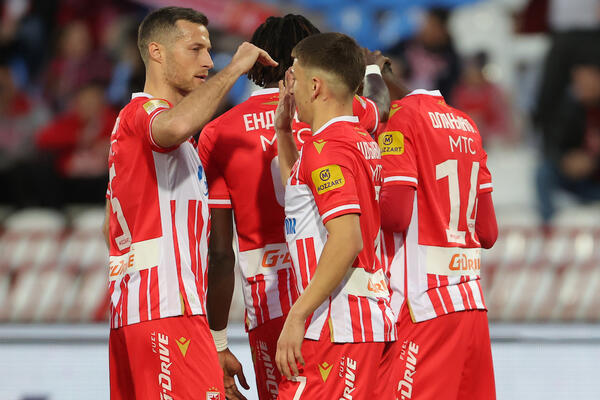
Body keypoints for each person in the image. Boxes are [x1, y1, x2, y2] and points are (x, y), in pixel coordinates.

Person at [197, 14, 390, 400]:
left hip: (283, 298)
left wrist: (218, 341)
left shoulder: (219, 132)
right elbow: (381, 107)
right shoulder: (345, 114)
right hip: (335, 295)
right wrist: (372, 69)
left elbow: (219, 253)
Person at [101, 6, 276, 399]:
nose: (209, 62)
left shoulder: (153, 138)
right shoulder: (144, 113)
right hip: (165, 308)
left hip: (145, 309)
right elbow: (175, 125)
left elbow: (108, 222)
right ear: (157, 52)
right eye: (195, 49)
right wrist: (235, 69)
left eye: (210, 51)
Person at [273, 32, 396, 399]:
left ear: (315, 86)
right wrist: (283, 131)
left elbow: (346, 239)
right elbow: (301, 195)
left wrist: (297, 315)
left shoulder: (325, 149)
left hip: (335, 324)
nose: (290, 88)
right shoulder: (356, 138)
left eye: (294, 77)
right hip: (358, 319)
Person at [376, 63, 498, 399]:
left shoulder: (400, 119)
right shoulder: (467, 124)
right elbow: (488, 232)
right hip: (470, 302)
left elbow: (396, 216)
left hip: (422, 306)